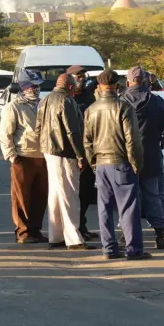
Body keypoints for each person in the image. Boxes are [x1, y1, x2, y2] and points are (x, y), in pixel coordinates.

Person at [83, 69, 151, 260]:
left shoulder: (91, 109)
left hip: (101, 165)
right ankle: (133, 249)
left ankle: (109, 249)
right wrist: (136, 164)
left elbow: (87, 142)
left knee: (104, 208)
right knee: (128, 207)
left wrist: (94, 164)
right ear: (118, 86)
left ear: (99, 87)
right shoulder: (124, 107)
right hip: (121, 162)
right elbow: (133, 140)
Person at [36, 73, 96, 251]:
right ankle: (74, 239)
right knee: (69, 195)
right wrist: (80, 155)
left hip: (49, 151)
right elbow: (73, 132)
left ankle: (56, 236)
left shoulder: (45, 99)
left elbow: (38, 127)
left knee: (55, 195)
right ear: (70, 88)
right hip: (64, 152)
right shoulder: (67, 101)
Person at [120, 66, 164, 249]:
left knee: (128, 196)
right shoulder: (156, 101)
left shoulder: (121, 101)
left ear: (128, 82)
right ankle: (159, 232)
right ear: (146, 81)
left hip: (126, 154)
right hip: (151, 153)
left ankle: (126, 234)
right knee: (153, 195)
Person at [0, 69, 48, 244]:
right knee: (21, 197)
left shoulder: (42, 104)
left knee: (40, 197)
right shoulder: (14, 106)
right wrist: (12, 157)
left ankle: (35, 230)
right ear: (23, 87)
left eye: (37, 86)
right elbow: (5, 134)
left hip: (43, 157)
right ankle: (23, 232)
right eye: (32, 86)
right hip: (23, 157)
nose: (35, 90)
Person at [66, 65, 98, 241]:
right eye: (78, 76)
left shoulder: (89, 96)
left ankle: (82, 224)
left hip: (89, 151)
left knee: (86, 192)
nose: (81, 78)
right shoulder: (65, 98)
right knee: (72, 192)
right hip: (71, 152)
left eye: (83, 75)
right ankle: (73, 227)